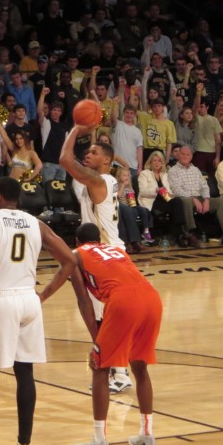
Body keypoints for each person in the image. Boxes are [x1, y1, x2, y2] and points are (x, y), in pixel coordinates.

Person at [0, 177, 78, 445]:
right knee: (25, 374)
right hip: (28, 300)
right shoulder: (36, 224)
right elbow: (69, 261)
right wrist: (44, 295)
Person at [68, 223, 163, 445]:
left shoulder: (76, 255)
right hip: (151, 297)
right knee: (140, 367)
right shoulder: (116, 250)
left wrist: (96, 339)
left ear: (77, 241)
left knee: (100, 366)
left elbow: (84, 301)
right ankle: (147, 435)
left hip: (123, 301)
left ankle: (100, 441)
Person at [60, 123, 133, 393]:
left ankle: (120, 372)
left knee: (106, 320)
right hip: (103, 255)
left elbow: (65, 160)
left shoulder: (100, 181)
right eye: (87, 151)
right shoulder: (94, 181)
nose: (87, 154)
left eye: (93, 152)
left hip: (108, 257)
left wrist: (76, 128)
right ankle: (116, 368)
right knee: (103, 319)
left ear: (107, 160)